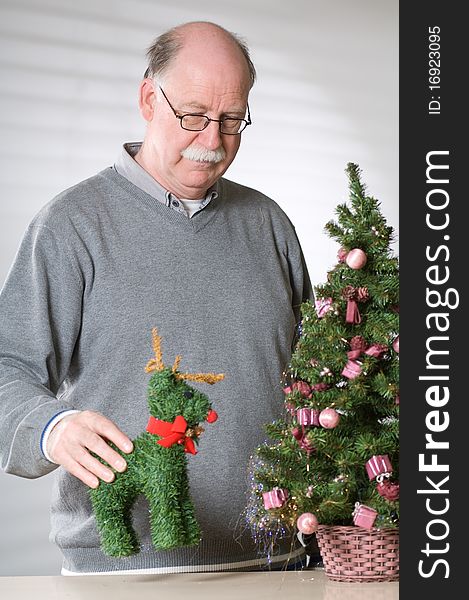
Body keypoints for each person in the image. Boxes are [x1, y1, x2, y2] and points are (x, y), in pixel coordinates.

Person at [0, 21, 313, 575]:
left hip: (282, 558)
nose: (212, 141)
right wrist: (52, 428)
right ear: (149, 99)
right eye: (193, 116)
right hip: (127, 571)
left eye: (232, 120)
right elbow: (7, 365)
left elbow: (318, 373)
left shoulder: (268, 223)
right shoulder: (71, 225)